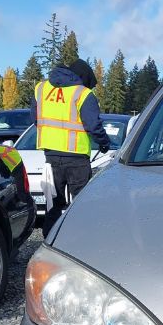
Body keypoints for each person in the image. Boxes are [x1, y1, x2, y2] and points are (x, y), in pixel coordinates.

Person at [31, 58, 111, 236]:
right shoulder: (83, 94)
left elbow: (35, 119)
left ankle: (49, 240)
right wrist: (104, 143)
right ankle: (81, 239)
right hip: (77, 157)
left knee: (54, 202)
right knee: (81, 202)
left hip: (50, 155)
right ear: (84, 78)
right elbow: (93, 125)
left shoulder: (41, 89)